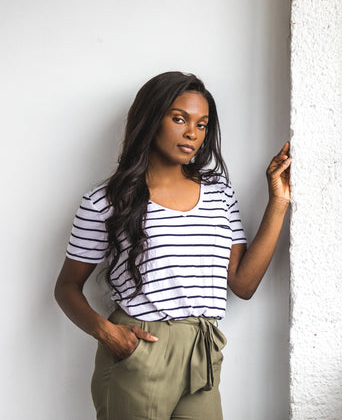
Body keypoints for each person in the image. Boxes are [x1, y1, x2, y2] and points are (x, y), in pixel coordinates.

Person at [54, 71, 291, 420]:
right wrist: (109, 334)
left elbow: (243, 283)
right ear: (151, 119)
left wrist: (278, 202)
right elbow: (67, 287)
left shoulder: (217, 193)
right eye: (179, 118)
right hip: (140, 347)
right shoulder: (106, 200)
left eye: (202, 124)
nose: (192, 133)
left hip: (203, 349)